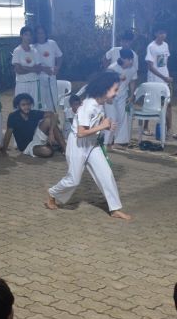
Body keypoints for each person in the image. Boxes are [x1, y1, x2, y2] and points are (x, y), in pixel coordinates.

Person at [46, 72, 132, 220]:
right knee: (73, 179)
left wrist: (105, 126)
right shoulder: (88, 105)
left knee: (106, 175)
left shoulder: (100, 103)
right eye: (115, 90)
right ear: (105, 89)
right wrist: (102, 126)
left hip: (92, 145)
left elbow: (94, 124)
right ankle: (52, 194)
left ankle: (115, 209)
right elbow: (80, 133)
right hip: (77, 145)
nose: (116, 94)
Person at [4, 94, 65, 158]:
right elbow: (8, 134)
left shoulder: (33, 113)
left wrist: (51, 132)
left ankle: (65, 149)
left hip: (36, 138)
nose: (27, 107)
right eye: (23, 105)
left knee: (49, 120)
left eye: (28, 104)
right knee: (47, 152)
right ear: (18, 105)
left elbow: (54, 115)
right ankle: (53, 146)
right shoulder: (13, 116)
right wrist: (4, 151)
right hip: (27, 146)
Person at [103, 48, 137, 149]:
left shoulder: (133, 69)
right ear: (122, 59)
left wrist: (131, 95)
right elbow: (105, 82)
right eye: (129, 59)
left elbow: (132, 81)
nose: (131, 61)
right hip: (110, 96)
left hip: (123, 95)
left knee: (122, 117)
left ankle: (118, 142)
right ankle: (106, 143)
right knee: (112, 117)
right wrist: (107, 96)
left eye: (132, 59)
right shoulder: (112, 68)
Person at [144, 25, 173, 136]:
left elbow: (165, 62)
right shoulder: (151, 46)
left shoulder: (166, 45)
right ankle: (145, 127)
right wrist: (163, 77)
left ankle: (169, 129)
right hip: (154, 80)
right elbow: (150, 67)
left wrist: (167, 76)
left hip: (165, 79)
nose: (163, 35)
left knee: (168, 103)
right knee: (150, 104)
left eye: (164, 33)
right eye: (160, 32)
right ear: (155, 33)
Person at [34, 25, 63, 113]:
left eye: (42, 33)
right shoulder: (33, 46)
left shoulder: (52, 43)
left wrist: (57, 67)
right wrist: (43, 69)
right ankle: (42, 124)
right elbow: (33, 65)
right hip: (38, 78)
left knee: (53, 102)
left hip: (51, 76)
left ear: (45, 34)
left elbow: (60, 56)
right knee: (40, 103)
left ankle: (54, 123)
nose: (40, 35)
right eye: (38, 33)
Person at [12, 26, 42, 107]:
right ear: (21, 36)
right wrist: (33, 69)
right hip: (22, 84)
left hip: (34, 83)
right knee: (21, 107)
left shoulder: (35, 51)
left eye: (30, 35)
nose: (28, 37)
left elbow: (39, 69)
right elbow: (18, 70)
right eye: (26, 34)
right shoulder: (17, 51)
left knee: (34, 107)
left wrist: (24, 67)